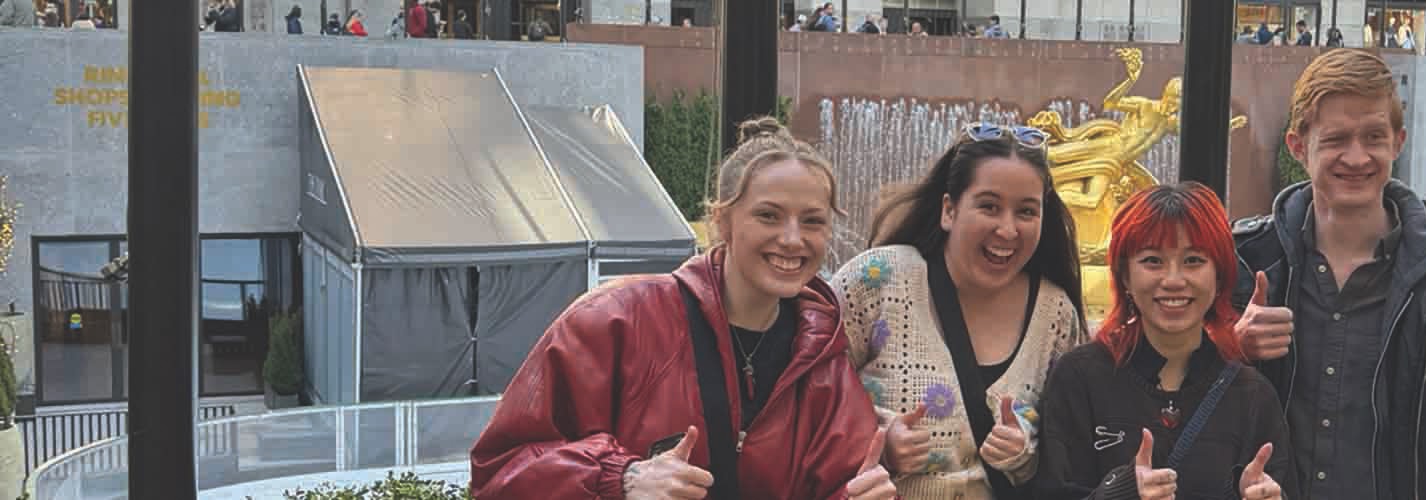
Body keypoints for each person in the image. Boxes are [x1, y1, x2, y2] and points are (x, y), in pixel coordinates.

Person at [471, 118, 897, 500]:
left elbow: (847, 483)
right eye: (769, 216)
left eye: (812, 221)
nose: (792, 239)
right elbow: (499, 469)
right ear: (722, 222)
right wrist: (622, 478)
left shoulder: (823, 360)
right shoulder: (615, 320)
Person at [1228, 48, 1426, 500]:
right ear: (1299, 147)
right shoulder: (1245, 264)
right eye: (1336, 139)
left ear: (1398, 142)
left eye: (1373, 136)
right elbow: (1173, 399)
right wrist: (1233, 349)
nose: (1356, 158)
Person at [834, 123, 1087, 499]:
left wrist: (1024, 456)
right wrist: (880, 440)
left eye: (1026, 211)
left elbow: (1071, 452)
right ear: (949, 210)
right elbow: (806, 401)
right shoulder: (877, 280)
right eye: (989, 206)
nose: (1007, 229)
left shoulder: (1056, 314)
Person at [1035, 182, 1291, 500]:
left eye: (1194, 261)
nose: (1173, 280)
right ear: (1125, 276)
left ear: (1220, 275)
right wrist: (1122, 491)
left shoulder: (1253, 395)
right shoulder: (1080, 377)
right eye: (1153, 260)